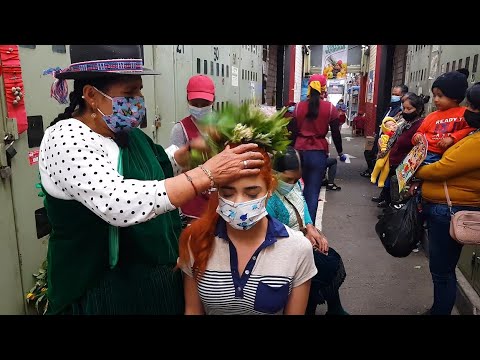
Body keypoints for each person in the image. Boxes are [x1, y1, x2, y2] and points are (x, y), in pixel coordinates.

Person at [39, 45, 264, 315]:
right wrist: (207, 174)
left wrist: (188, 153)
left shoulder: (125, 134)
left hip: (150, 279)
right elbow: (118, 202)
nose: (139, 100)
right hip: (100, 288)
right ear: (91, 95)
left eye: (140, 90)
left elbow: (153, 168)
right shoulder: (66, 138)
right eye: (130, 92)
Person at [178, 146, 317, 315]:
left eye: (251, 194)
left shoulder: (298, 249)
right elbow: (192, 310)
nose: (238, 203)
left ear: (270, 188)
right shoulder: (196, 240)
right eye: (228, 194)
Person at [415, 82, 480, 315]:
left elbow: (441, 169)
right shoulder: (471, 136)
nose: (468, 111)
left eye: (472, 107)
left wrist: (414, 170)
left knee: (442, 269)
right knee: (443, 269)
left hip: (449, 210)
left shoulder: (475, 142)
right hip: (446, 208)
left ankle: (440, 312)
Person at [267, 147, 348, 315]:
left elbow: (301, 202)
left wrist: (310, 227)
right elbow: (272, 234)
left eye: (296, 179)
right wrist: (304, 240)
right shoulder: (269, 198)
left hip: (301, 239)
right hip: (283, 248)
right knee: (324, 267)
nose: (292, 183)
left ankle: (334, 308)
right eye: (287, 179)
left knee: (329, 257)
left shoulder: (294, 184)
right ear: (273, 172)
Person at [292, 74, 345, 224]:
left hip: (298, 153)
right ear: (323, 88)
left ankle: (295, 225)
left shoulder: (298, 107)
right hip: (317, 153)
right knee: (312, 192)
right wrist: (340, 152)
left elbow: (293, 133)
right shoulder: (329, 109)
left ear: (308, 87)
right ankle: (310, 229)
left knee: (296, 191)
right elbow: (336, 133)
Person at [170, 75, 216, 223]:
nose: (200, 107)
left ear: (213, 100)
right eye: (195, 103)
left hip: (219, 197)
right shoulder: (180, 129)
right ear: (188, 100)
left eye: (204, 103)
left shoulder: (224, 126)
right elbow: (175, 168)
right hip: (193, 199)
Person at [412, 71, 473, 165]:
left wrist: (453, 138)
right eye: (434, 95)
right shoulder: (431, 116)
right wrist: (417, 137)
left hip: (452, 155)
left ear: (454, 96)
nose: (436, 99)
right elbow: (420, 132)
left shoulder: (465, 113)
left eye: (440, 96)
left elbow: (470, 128)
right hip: (427, 153)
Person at [382, 93, 426, 206]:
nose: (405, 111)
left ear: (419, 109)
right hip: (395, 162)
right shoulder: (405, 123)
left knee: (399, 195)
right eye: (404, 108)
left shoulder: (421, 126)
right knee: (391, 188)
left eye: (409, 108)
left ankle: (393, 213)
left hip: (406, 166)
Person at [370, 117, 398, 187]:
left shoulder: (397, 134)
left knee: (386, 169)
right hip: (384, 153)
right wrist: (383, 149)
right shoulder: (386, 135)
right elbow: (383, 143)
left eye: (394, 123)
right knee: (379, 164)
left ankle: (381, 181)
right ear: (386, 128)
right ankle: (373, 175)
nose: (394, 125)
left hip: (391, 154)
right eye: (391, 125)